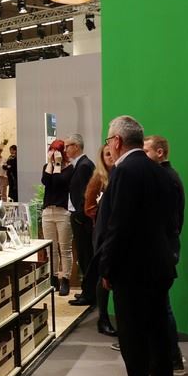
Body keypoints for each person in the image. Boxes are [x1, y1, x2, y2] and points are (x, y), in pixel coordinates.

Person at [98, 115, 181, 376]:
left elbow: (118, 226)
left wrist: (107, 268)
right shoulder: (161, 172)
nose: (108, 146)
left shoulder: (124, 171)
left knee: (134, 345)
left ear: (117, 141)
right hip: (159, 269)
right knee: (159, 341)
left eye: (109, 140)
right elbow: (172, 223)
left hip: (132, 274)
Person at [142, 135, 187, 372]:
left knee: (161, 305)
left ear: (159, 153)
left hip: (164, 249)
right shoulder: (167, 177)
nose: (142, 156)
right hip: (166, 247)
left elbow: (170, 220)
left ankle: (172, 356)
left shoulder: (165, 179)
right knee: (159, 304)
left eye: (146, 151)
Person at [77, 142, 116, 336]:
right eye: (107, 155)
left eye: (112, 154)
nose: (110, 158)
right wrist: (103, 213)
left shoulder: (120, 175)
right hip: (102, 233)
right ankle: (103, 318)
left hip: (115, 231)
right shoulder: (97, 179)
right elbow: (88, 207)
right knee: (103, 273)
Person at [40, 138, 75, 296]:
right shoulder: (47, 167)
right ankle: (53, 279)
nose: (53, 154)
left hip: (63, 212)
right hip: (48, 211)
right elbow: (46, 181)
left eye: (56, 151)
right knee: (51, 249)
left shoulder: (69, 169)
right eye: (51, 151)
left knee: (65, 248)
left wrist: (59, 164)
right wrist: (50, 163)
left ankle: (65, 279)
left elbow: (58, 182)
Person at [65, 135, 95, 297]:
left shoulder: (84, 165)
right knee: (83, 255)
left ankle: (89, 293)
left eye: (68, 146)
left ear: (76, 146)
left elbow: (86, 193)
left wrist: (80, 216)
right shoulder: (80, 165)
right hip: (79, 216)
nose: (65, 150)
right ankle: (87, 291)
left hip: (82, 218)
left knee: (85, 255)